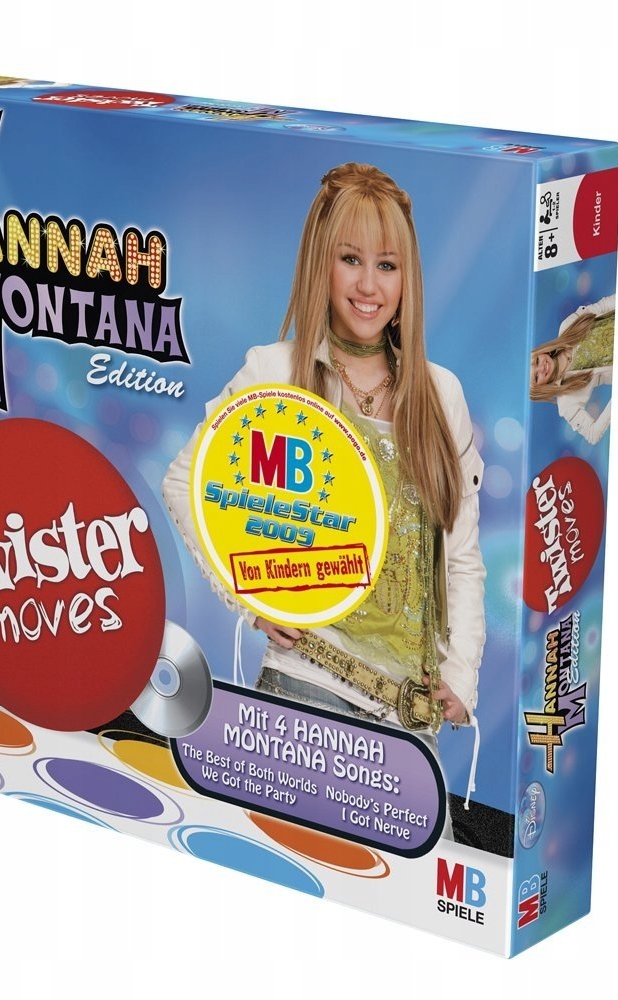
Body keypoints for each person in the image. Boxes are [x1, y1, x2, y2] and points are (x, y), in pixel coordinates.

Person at [163, 164, 486, 829]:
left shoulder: (439, 394)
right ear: (321, 263)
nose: (369, 286)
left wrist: (461, 673)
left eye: (387, 266)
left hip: (408, 714)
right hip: (303, 685)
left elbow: (459, 556)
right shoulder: (275, 371)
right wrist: (250, 598)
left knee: (404, 881)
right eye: (350, 260)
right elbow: (184, 483)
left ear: (408, 278)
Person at [530, 295, 614, 444]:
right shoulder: (566, 403)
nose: (542, 367)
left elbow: (603, 306)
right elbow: (592, 435)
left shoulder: (566, 327)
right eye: (536, 377)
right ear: (539, 389)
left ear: (539, 352)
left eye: (537, 361)